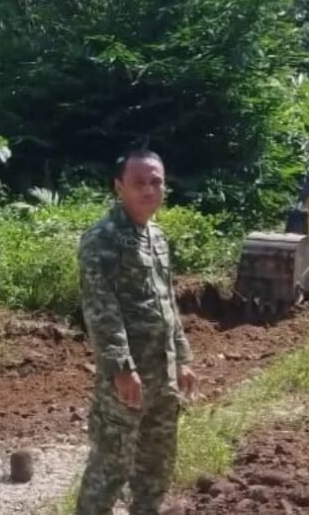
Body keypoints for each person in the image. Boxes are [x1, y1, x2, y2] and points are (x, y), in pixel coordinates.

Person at [75, 149, 199, 515]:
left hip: (163, 377)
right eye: (139, 183)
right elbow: (100, 309)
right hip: (127, 381)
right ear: (119, 187)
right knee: (110, 467)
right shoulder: (102, 239)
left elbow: (167, 303)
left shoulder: (157, 237)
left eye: (156, 182)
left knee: (155, 468)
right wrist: (120, 367)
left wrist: (184, 359)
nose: (149, 190)